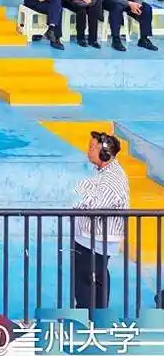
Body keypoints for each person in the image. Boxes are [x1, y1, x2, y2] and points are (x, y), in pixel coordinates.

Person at [72, 131, 128, 310]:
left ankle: (89, 319)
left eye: (92, 148)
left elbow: (95, 206)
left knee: (87, 283)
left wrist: (79, 203)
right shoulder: (103, 173)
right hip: (90, 239)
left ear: (105, 153)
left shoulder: (112, 178)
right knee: (94, 279)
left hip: (95, 240)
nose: (88, 151)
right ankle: (95, 318)